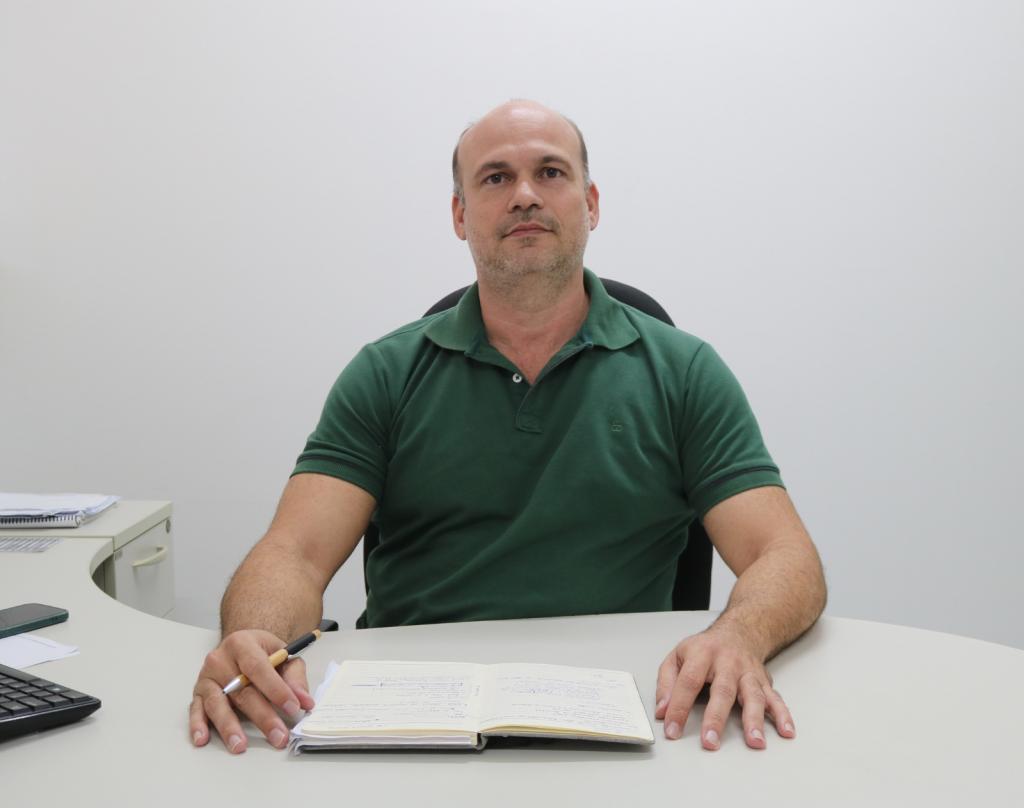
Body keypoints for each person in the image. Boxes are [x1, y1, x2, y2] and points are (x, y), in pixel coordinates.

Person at [189, 99, 827, 755]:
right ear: (460, 215)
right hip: (409, 718)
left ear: (591, 203)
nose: (525, 195)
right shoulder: (385, 373)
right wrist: (256, 639)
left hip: (625, 710)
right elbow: (293, 552)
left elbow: (784, 555)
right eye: (496, 178)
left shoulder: (684, 371)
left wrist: (739, 635)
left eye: (550, 172)